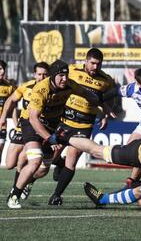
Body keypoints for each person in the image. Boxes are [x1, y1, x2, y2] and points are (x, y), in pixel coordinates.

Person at [7, 59, 99, 209]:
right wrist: (50, 138)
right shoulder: (41, 90)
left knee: (43, 169)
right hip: (31, 124)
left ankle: (25, 182)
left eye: (66, 75)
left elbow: (88, 95)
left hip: (51, 126)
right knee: (35, 160)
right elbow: (33, 118)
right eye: (61, 76)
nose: (64, 79)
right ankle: (14, 196)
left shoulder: (69, 84)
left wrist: (102, 104)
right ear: (53, 76)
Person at [48, 48, 115, 205]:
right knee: (51, 155)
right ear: (85, 61)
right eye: (92, 63)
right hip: (65, 120)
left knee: (72, 159)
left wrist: (105, 114)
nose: (95, 67)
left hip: (84, 125)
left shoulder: (106, 80)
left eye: (98, 64)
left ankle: (56, 195)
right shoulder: (72, 70)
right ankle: (58, 163)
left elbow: (108, 98)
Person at [0, 62, 49, 200]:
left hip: (36, 129)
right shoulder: (26, 87)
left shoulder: (51, 90)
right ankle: (24, 180)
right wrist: (3, 117)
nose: (42, 77)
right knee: (10, 164)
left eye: (45, 74)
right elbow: (10, 100)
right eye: (39, 74)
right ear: (34, 74)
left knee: (23, 159)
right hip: (22, 127)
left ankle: (17, 189)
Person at [0, 60, 16, 161]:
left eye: (3, 69)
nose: (2, 72)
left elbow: (13, 107)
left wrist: (16, 124)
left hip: (2, 124)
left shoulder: (9, 87)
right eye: (0, 69)